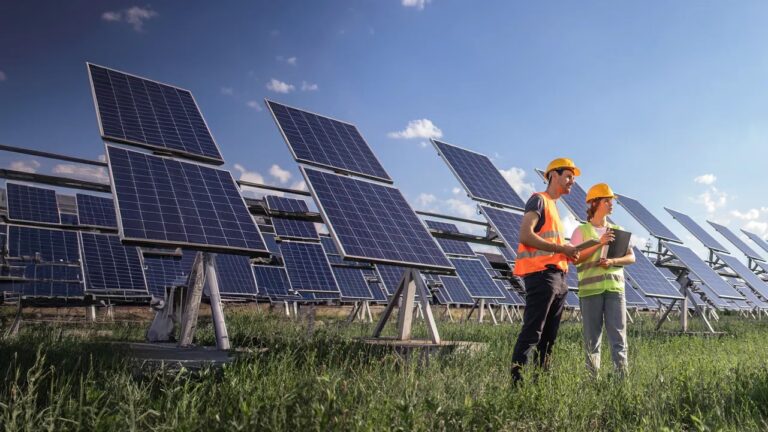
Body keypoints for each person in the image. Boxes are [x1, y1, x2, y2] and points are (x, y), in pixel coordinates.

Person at [510, 157, 581, 384]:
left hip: (559, 278)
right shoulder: (538, 200)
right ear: (553, 175)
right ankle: (517, 384)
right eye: (568, 176)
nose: (572, 181)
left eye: (573, 178)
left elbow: (553, 245)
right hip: (542, 276)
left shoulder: (555, 208)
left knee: (549, 338)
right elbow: (525, 235)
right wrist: (561, 248)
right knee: (533, 332)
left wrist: (567, 254)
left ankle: (540, 384)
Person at [570, 183, 635, 377]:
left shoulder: (618, 230)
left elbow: (631, 257)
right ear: (595, 203)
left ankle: (622, 381)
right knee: (592, 340)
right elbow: (575, 258)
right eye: (607, 200)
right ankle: (592, 381)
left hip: (615, 291)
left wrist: (614, 260)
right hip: (590, 292)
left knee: (619, 338)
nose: (611, 204)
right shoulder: (581, 231)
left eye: (611, 201)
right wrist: (600, 243)